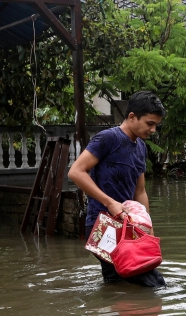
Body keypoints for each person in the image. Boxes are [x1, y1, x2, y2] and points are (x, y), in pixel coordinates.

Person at [69, 91, 166, 288]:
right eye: (149, 123)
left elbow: (140, 192)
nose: (153, 129)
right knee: (152, 282)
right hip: (102, 225)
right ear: (132, 117)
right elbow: (76, 172)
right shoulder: (108, 138)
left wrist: (147, 228)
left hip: (126, 227)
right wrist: (110, 202)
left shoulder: (140, 147)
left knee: (118, 282)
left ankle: (115, 314)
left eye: (156, 125)